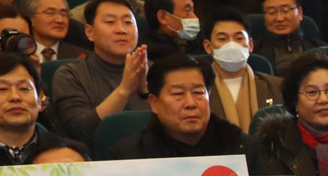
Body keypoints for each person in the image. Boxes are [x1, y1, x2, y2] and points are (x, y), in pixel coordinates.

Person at [106, 54, 255, 162]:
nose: (190, 103)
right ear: (154, 103)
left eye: (198, 92)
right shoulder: (128, 157)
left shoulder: (242, 148)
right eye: (178, 94)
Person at [49, 0, 149, 145]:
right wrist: (124, 90)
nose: (121, 30)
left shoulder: (154, 70)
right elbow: (80, 132)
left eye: (128, 22)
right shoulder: (70, 74)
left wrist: (145, 91)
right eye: (110, 22)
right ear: (90, 32)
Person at [203, 9, 283, 132]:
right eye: (222, 39)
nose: (231, 45)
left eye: (239, 38)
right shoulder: (199, 90)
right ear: (208, 47)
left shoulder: (276, 87)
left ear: (250, 45)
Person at [257, 0, 318, 67]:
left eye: (285, 10)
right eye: (272, 12)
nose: (279, 18)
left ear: (300, 13)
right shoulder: (254, 55)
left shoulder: (322, 51)